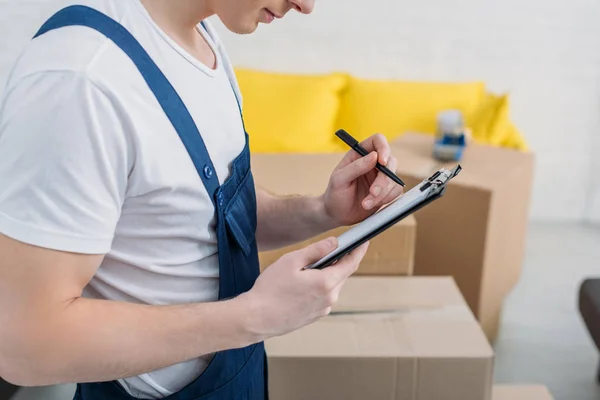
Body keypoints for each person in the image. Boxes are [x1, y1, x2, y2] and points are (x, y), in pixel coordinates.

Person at [0, 1, 403, 399]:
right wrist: (255, 316)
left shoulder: (204, 39)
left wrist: (323, 210)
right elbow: (25, 345)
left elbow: (208, 216)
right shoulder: (79, 78)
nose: (306, 5)